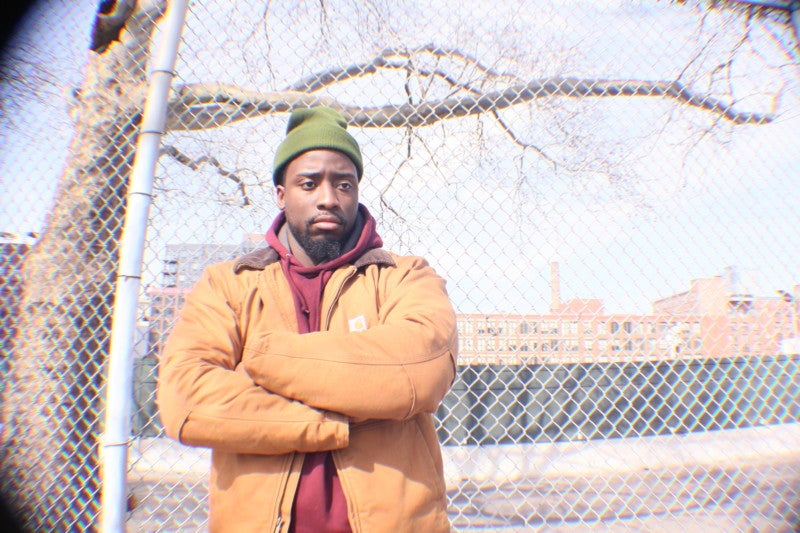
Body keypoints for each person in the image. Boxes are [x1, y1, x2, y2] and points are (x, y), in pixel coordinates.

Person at [157, 106, 458, 533]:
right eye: (309, 183)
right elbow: (185, 400)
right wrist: (334, 417)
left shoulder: (403, 276)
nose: (328, 198)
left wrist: (258, 360)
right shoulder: (228, 284)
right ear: (281, 195)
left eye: (343, 184)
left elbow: (419, 369)